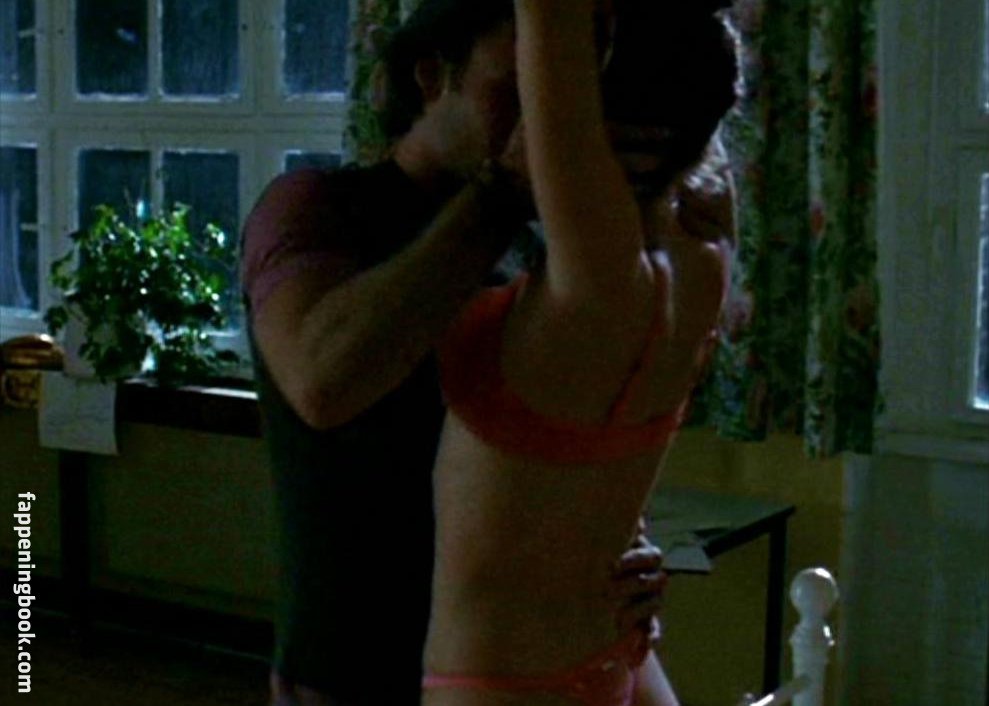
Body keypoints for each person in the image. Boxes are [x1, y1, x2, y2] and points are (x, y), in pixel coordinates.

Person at [239, 1, 687, 703]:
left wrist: (619, 551)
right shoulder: (312, 204)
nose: (550, 111)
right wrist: (503, 191)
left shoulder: (538, 255)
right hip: (349, 673)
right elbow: (322, 382)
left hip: (502, 673)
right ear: (431, 77)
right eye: (522, 83)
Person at [421, 0, 738, 704]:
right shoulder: (705, 261)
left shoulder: (597, 278)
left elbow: (552, 22)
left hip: (496, 681)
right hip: (615, 657)